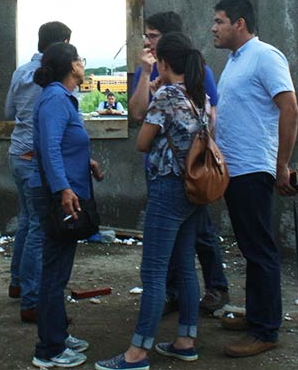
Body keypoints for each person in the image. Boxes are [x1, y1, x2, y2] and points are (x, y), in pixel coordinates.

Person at [95, 32, 209, 370]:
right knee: (185, 266)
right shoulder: (196, 95)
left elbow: (143, 142)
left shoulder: (168, 95)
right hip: (192, 190)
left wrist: (154, 88)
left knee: (154, 271)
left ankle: (137, 353)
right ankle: (186, 341)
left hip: (167, 189)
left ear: (164, 62)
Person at [210, 0, 298, 358]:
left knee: (260, 250)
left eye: (219, 21)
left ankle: (266, 330)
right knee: (251, 249)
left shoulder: (265, 56)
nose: (213, 29)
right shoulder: (235, 61)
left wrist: (282, 165)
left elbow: (290, 108)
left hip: (253, 169)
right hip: (235, 170)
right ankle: (258, 316)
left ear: (240, 23)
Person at [127, 11, 229, 315]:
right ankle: (179, 311)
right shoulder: (147, 73)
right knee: (180, 250)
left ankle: (215, 287)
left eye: (152, 35)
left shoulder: (194, 75)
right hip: (161, 171)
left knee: (199, 234)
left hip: (187, 171)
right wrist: (146, 76)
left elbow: (210, 117)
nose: (146, 41)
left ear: (168, 40)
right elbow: (136, 113)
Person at [28, 43, 104, 369]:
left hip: (65, 190)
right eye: (80, 60)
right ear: (72, 66)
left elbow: (64, 144)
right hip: (56, 194)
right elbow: (49, 149)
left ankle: (57, 334)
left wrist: (86, 162)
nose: (83, 64)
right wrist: (63, 189)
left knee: (59, 270)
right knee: (54, 273)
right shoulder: (56, 99)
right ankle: (49, 349)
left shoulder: (62, 98)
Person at [6, 21, 72, 323]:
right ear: (62, 45)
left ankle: (18, 283)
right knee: (37, 228)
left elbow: (8, 112)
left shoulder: (21, 72)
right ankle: (31, 300)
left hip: (16, 153)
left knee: (26, 220)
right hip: (35, 158)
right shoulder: (54, 84)